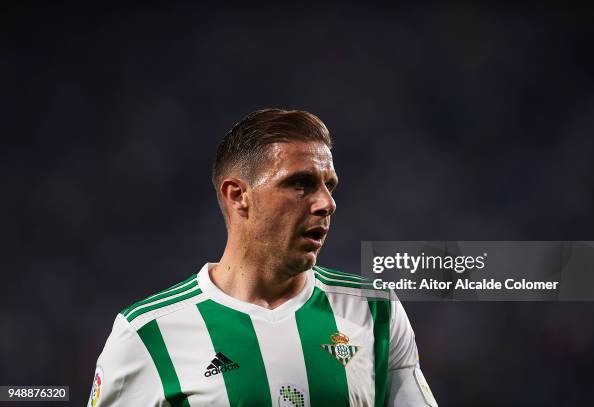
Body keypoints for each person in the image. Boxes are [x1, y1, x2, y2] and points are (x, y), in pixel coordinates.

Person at [87, 108, 438, 407]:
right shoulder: (149, 333)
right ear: (238, 195)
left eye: (328, 185)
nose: (326, 203)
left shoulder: (374, 309)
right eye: (301, 183)